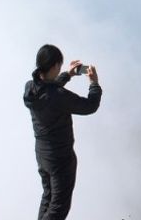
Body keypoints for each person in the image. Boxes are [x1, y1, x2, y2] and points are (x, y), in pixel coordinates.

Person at [23, 44, 103, 220]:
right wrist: (94, 83)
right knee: (58, 208)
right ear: (53, 67)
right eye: (59, 66)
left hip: (42, 155)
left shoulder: (30, 88)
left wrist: (68, 74)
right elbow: (90, 106)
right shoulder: (58, 96)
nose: (60, 68)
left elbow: (48, 89)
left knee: (48, 197)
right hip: (60, 159)